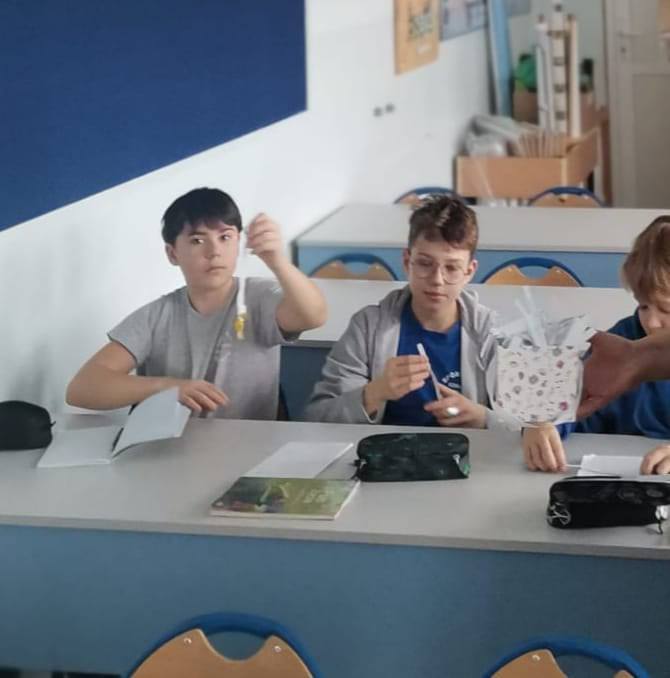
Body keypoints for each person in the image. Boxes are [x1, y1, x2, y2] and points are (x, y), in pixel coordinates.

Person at [66, 187, 327, 420]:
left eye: (225, 237)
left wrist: (277, 261)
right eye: (197, 241)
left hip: (249, 446)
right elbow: (81, 388)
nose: (214, 251)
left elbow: (314, 316)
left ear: (238, 243)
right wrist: (166, 387)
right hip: (174, 448)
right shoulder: (157, 316)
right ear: (172, 253)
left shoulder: (257, 298)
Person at [303, 195, 515, 430]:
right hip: (385, 451)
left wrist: (482, 418)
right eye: (425, 263)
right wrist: (374, 393)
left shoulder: (493, 334)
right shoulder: (368, 327)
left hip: (469, 450)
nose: (437, 280)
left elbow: (529, 426)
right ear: (407, 262)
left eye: (452, 268)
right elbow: (317, 418)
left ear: (469, 271)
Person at [523, 216, 670, 474]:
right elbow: (567, 399)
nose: (651, 322)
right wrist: (542, 421)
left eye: (666, 308)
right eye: (644, 306)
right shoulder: (621, 342)